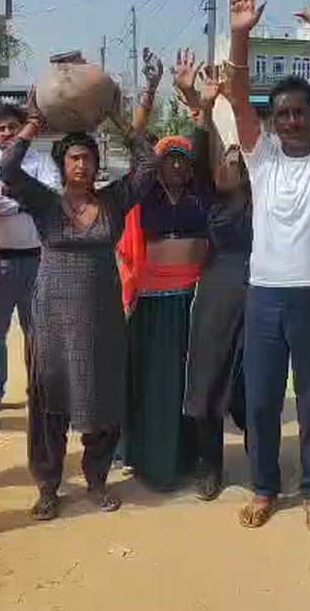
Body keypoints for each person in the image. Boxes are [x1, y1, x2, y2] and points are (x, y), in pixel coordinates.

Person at [0, 48, 165, 520]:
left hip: (101, 316)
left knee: (103, 396)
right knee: (48, 400)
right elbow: (10, 169)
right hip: (51, 314)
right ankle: (48, 485)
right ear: (61, 163)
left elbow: (148, 168)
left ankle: (96, 480)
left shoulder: (114, 202)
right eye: (73, 157)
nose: (82, 165)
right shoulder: (44, 203)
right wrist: (32, 121)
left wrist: (117, 117)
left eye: (88, 158)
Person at [223, 0, 310, 533]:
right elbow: (235, 97)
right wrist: (239, 37)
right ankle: (264, 486)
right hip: (265, 298)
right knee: (262, 401)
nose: (293, 120)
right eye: (284, 114)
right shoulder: (262, 161)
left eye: (301, 112)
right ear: (272, 121)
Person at [174, 53, 254, 501]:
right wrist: (200, 107)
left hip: (259, 291)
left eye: (237, 157)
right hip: (216, 292)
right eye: (224, 158)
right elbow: (203, 145)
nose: (230, 162)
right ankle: (210, 465)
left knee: (252, 383)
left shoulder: (263, 193)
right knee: (205, 379)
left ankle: (260, 463)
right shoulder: (209, 196)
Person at [118, 126, 210, 491]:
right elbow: (135, 140)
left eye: (181, 160)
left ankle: (189, 457)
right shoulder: (144, 197)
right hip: (152, 302)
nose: (175, 166)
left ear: (190, 168)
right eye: (167, 159)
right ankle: (148, 459)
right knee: (153, 380)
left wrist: (199, 114)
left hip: (192, 298)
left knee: (186, 382)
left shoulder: (201, 197)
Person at [0, 104, 61, 416]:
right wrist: (24, 201)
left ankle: (39, 390)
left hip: (36, 259)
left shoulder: (41, 162)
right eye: (1, 128)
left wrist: (4, 199)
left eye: (13, 126)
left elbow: (51, 197)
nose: (8, 133)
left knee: (37, 331)